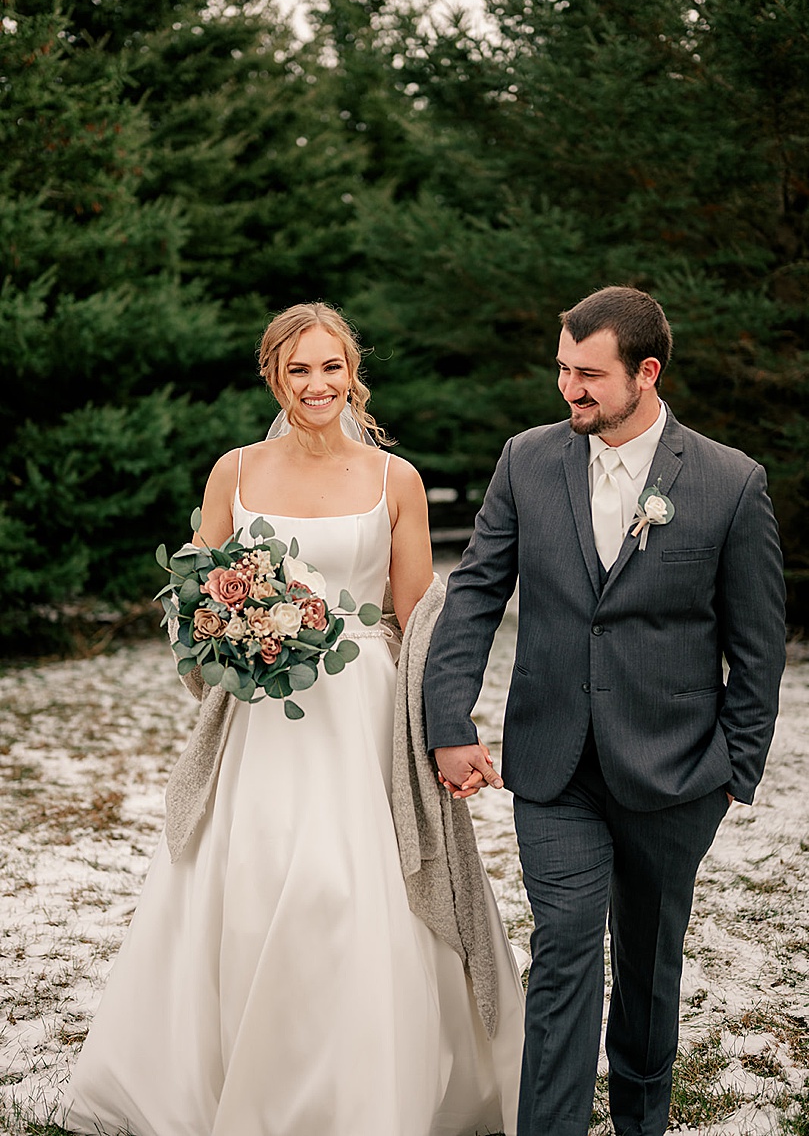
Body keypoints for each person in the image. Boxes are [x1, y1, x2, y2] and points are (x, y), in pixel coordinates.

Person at [61, 303, 525, 1136]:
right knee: (253, 884)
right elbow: (194, 593)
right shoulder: (234, 470)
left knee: (351, 886)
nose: (318, 385)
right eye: (299, 369)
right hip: (262, 713)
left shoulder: (396, 480)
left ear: (353, 373)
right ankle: (232, 1081)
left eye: (332, 367)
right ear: (273, 376)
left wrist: (442, 726)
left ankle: (369, 1086)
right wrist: (228, 633)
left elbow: (417, 615)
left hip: (363, 712)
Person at [423, 286, 786, 1136]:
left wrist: (735, 765)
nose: (568, 389)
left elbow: (758, 643)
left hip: (674, 771)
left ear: (646, 373)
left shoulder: (730, 483)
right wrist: (450, 720)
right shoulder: (526, 459)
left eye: (589, 374)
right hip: (553, 764)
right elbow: (475, 593)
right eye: (561, 368)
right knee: (564, 949)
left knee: (651, 965)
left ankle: (639, 1121)